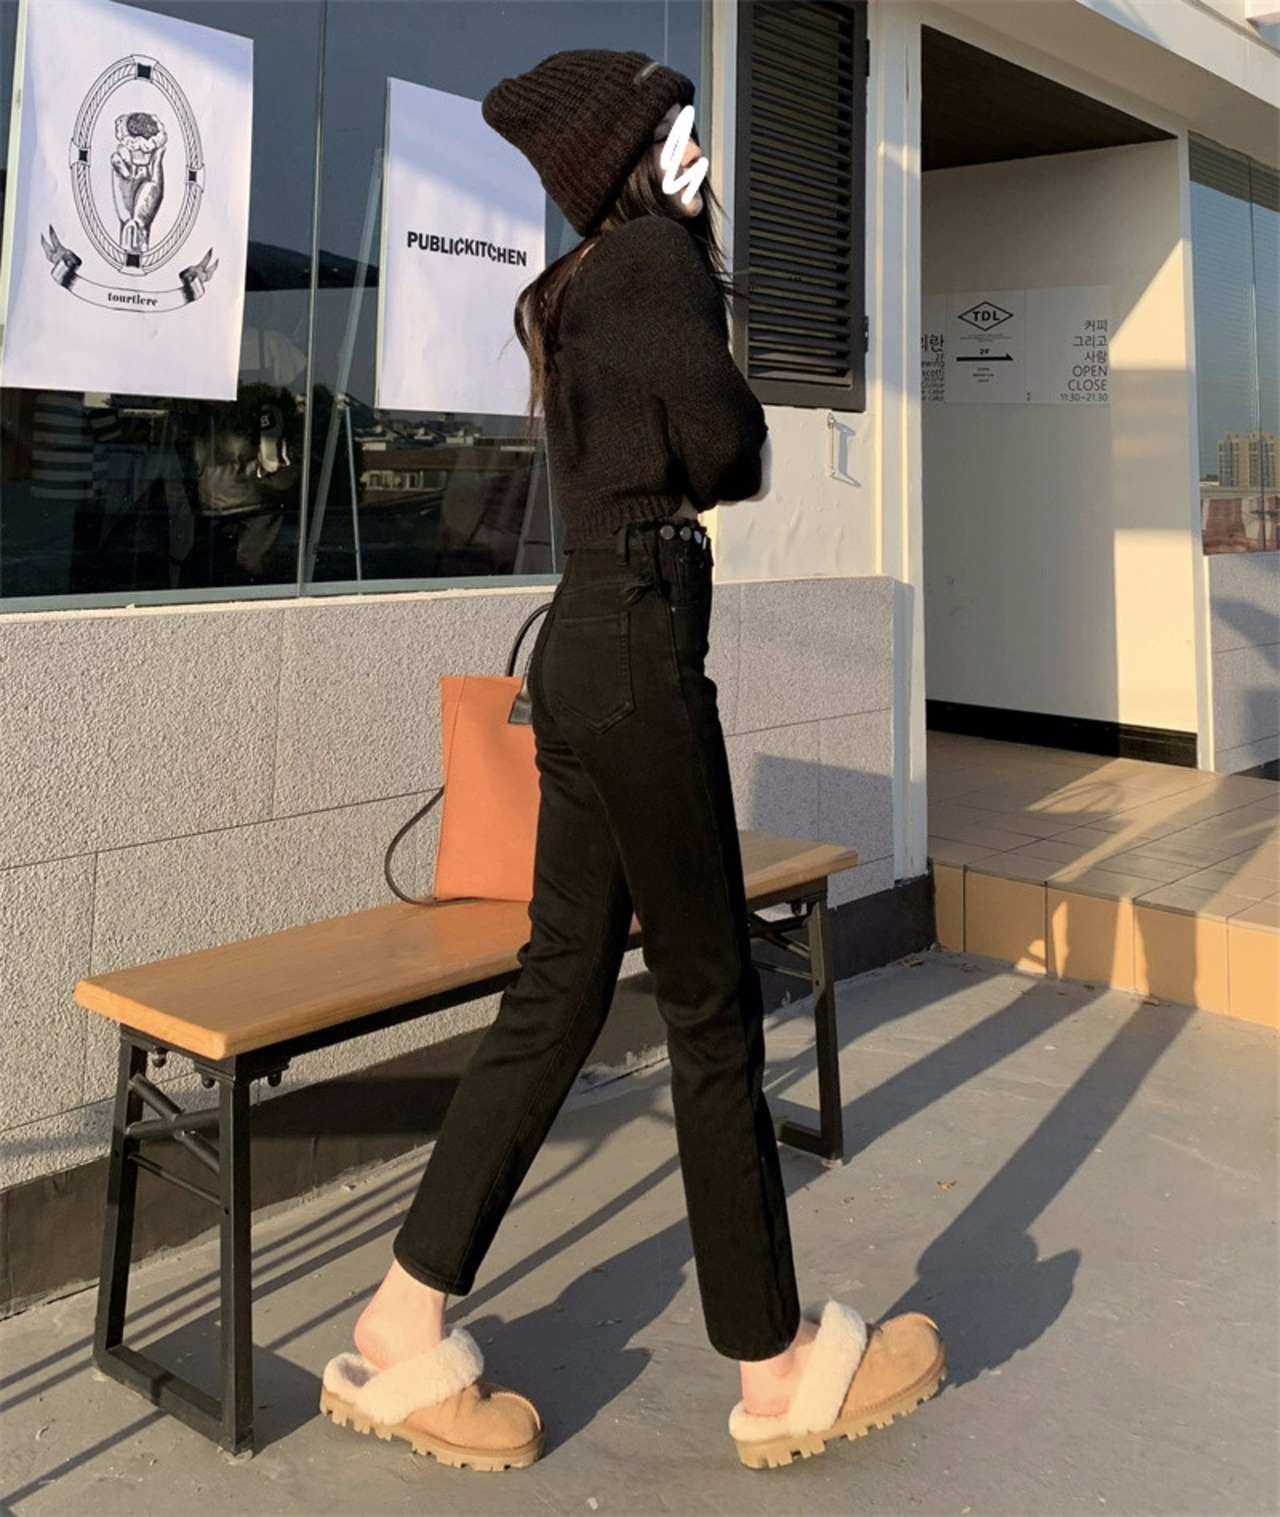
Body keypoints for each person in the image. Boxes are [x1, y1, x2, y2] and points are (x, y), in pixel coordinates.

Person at [319, 49, 946, 1472]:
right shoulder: (658, 265)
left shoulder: (580, 285)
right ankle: (778, 1371)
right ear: (629, 158)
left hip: (584, 650)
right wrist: (733, 399)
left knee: (558, 986)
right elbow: (725, 446)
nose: (702, 148)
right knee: (713, 1002)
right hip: (644, 647)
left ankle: (401, 1322)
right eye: (679, 129)